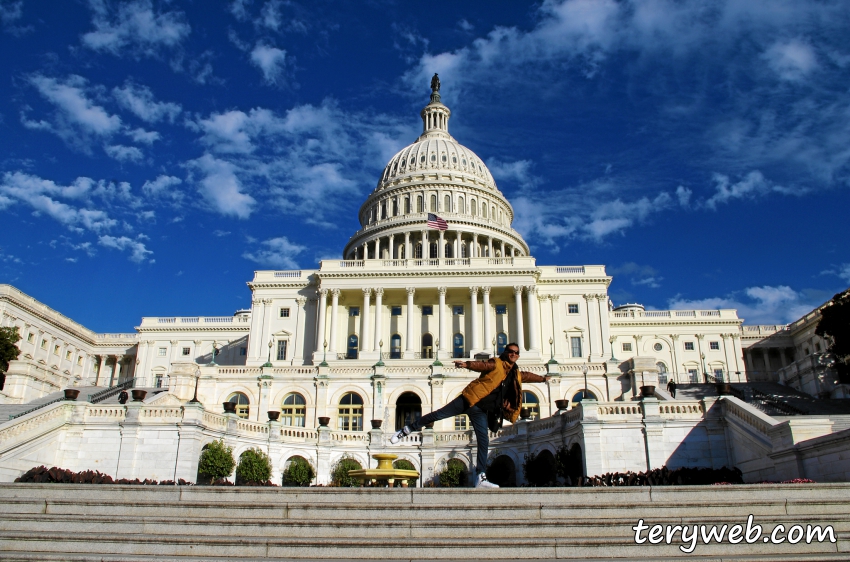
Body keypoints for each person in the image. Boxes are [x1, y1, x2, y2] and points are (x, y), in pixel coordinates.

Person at [390, 343, 550, 488]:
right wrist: (467, 364)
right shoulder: (497, 363)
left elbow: (527, 376)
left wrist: (543, 378)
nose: (513, 354)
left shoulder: (514, 373)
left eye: (516, 353)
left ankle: (480, 476)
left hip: (480, 410)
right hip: (469, 400)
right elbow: (482, 365)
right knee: (438, 415)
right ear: (505, 352)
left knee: (483, 439)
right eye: (511, 352)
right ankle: (406, 429)